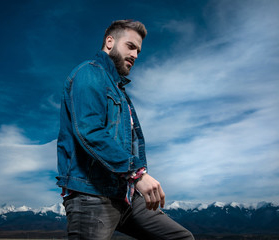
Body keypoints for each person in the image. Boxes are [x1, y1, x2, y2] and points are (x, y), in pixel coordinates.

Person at [56, 19, 194, 240]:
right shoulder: (88, 73)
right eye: (130, 46)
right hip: (92, 195)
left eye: (138, 50)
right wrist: (137, 173)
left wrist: (134, 179)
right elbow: (90, 132)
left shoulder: (119, 91)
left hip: (126, 195)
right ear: (109, 42)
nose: (136, 55)